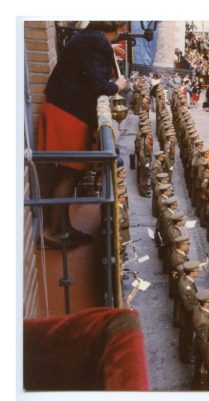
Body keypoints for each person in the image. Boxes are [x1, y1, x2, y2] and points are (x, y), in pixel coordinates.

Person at [37, 21, 128, 248]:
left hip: (64, 110)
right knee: (70, 173)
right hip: (68, 114)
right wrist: (118, 85)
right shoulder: (96, 41)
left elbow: (88, 59)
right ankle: (52, 232)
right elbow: (99, 84)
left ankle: (63, 228)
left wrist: (109, 49)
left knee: (70, 174)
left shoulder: (92, 38)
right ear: (115, 27)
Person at [178, 261, 202, 364]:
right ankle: (185, 357)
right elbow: (189, 306)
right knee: (187, 335)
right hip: (187, 316)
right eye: (197, 271)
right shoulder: (186, 286)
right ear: (192, 272)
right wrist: (200, 309)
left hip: (185, 314)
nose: (199, 272)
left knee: (185, 335)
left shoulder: (186, 279)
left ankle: (185, 353)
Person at [192, 288, 209, 390]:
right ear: (205, 303)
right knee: (201, 369)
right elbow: (202, 341)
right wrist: (207, 354)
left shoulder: (200, 309)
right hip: (203, 348)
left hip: (200, 344)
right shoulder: (203, 320)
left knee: (199, 367)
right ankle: (198, 387)